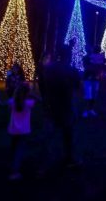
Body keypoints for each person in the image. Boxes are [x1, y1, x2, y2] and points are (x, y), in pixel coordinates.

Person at [39, 42, 82, 170]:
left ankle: (43, 164)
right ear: (68, 55)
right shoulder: (72, 70)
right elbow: (78, 90)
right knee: (69, 135)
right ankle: (70, 158)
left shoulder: (48, 69)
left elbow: (42, 86)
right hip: (66, 107)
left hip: (50, 106)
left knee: (48, 137)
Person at [7, 82, 37, 180]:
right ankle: (15, 172)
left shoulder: (11, 101)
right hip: (23, 130)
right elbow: (40, 100)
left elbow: (7, 108)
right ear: (27, 93)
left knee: (14, 148)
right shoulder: (29, 103)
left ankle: (12, 165)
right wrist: (32, 94)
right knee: (19, 150)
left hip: (13, 129)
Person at [82, 47, 104, 118]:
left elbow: (100, 67)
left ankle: (91, 109)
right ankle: (86, 110)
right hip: (88, 79)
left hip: (95, 79)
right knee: (88, 95)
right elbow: (86, 66)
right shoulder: (87, 57)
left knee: (94, 95)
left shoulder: (99, 58)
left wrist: (99, 74)